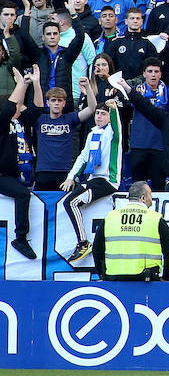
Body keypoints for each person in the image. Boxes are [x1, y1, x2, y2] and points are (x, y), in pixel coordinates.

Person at [59, 97, 124, 262]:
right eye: (97, 113)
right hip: (93, 179)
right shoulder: (92, 133)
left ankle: (83, 242)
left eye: (103, 114)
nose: (99, 117)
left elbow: (117, 127)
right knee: (70, 202)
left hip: (108, 180)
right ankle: (83, 242)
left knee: (71, 202)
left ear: (109, 117)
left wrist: (114, 109)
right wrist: (70, 177)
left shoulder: (111, 133)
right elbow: (83, 157)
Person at [93, 180, 169, 281]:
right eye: (150, 194)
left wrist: (102, 275)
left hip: (114, 277)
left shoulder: (110, 218)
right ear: (143, 198)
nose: (151, 197)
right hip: (146, 279)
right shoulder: (156, 219)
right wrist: (166, 277)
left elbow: (97, 249)